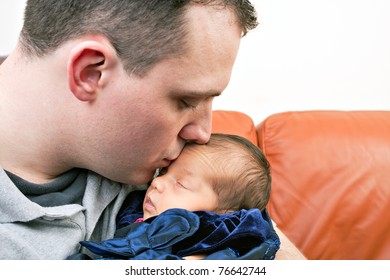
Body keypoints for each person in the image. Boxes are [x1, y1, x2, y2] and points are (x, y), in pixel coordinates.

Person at [0, 0, 258, 260]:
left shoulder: (152, 160)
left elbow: (251, 227)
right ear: (90, 73)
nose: (203, 133)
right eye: (186, 101)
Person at [76, 133, 279, 260]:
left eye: (181, 184)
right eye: (163, 173)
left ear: (225, 215)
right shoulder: (135, 207)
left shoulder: (213, 253)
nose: (157, 183)